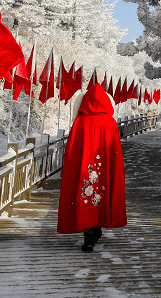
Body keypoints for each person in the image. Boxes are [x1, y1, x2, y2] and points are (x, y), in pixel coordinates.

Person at [56, 80, 127, 251]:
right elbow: (115, 151)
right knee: (102, 191)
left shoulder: (80, 121)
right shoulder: (109, 123)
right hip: (103, 169)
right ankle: (97, 227)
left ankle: (87, 228)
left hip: (84, 169)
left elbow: (73, 150)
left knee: (85, 191)